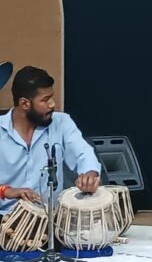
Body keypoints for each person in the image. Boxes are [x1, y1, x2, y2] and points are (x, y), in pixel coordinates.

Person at [0, 66, 101, 215]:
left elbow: (83, 153)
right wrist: (7, 191)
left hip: (50, 217)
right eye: (45, 100)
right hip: (5, 217)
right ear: (25, 104)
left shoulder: (62, 122)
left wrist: (90, 173)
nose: (52, 104)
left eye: (51, 97)